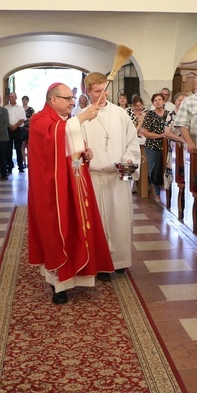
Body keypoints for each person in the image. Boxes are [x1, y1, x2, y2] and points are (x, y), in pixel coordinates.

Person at [28, 82, 114, 304]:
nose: (72, 102)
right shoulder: (40, 120)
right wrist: (82, 117)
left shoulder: (65, 122)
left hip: (75, 183)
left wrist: (84, 153)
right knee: (59, 230)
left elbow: (69, 146)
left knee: (78, 227)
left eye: (72, 99)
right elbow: (52, 140)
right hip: (53, 189)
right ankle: (58, 285)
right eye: (67, 98)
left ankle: (79, 274)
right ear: (53, 100)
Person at [81, 72, 141, 277]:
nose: (102, 96)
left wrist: (128, 163)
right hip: (94, 177)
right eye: (97, 91)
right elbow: (75, 148)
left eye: (104, 91)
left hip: (118, 175)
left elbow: (132, 142)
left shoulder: (120, 114)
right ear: (87, 91)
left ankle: (120, 260)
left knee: (120, 219)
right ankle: (101, 262)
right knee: (97, 221)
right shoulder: (82, 117)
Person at [138, 93, 171, 201]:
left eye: (160, 100)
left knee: (166, 169)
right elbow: (146, 133)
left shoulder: (168, 114)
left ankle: (166, 193)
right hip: (152, 146)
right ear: (153, 103)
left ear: (163, 101)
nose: (158, 102)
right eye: (155, 100)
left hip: (166, 146)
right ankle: (156, 194)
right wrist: (160, 135)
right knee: (154, 169)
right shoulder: (150, 114)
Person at [5, 92, 26, 172]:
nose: (11, 98)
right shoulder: (6, 108)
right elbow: (5, 119)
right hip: (9, 130)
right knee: (8, 149)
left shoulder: (20, 108)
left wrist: (15, 126)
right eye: (10, 97)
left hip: (18, 130)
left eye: (12, 97)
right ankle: (10, 166)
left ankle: (20, 166)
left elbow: (22, 119)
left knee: (18, 148)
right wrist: (10, 125)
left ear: (16, 97)